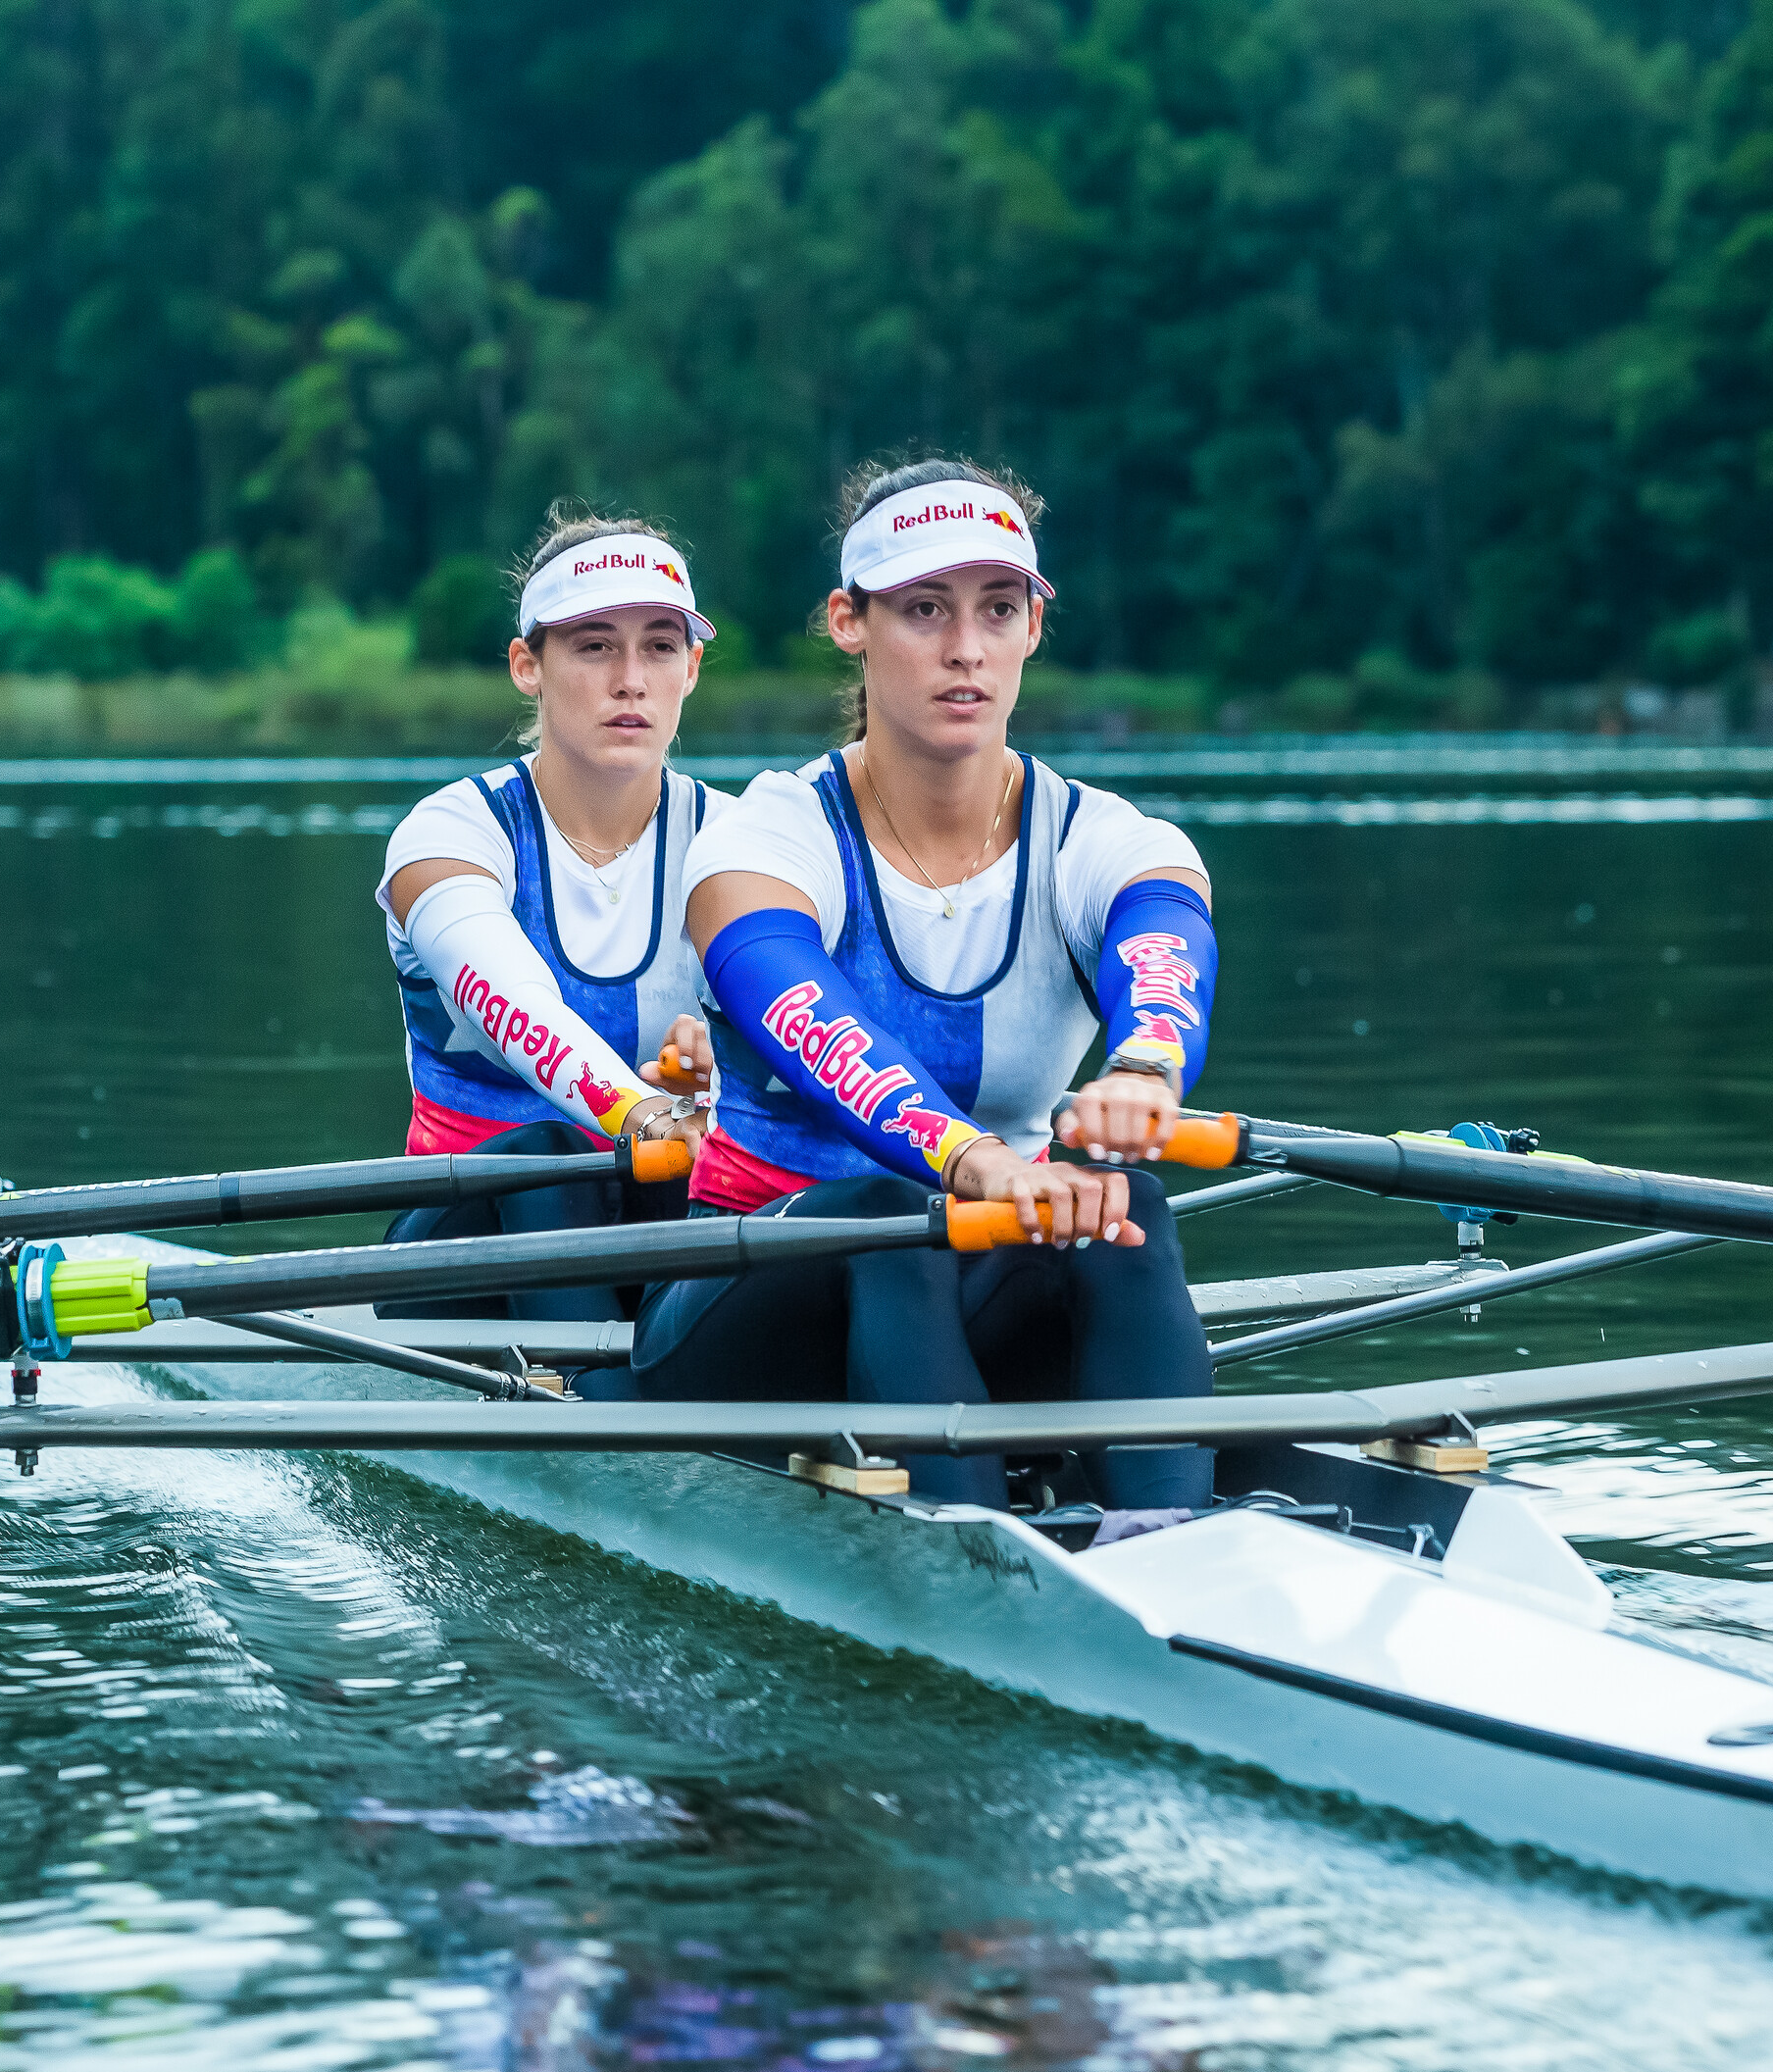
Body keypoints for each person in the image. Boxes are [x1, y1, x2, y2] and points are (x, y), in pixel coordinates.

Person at [633, 459, 1223, 1513]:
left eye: (998, 609)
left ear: (1033, 628)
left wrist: (1145, 1068)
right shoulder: (764, 839)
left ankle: (1171, 1531)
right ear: (848, 621)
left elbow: (1162, 940)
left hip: (968, 1302)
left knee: (1123, 1203)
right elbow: (801, 1016)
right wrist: (975, 1159)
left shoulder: (1106, 840)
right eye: (922, 610)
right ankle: (974, 1550)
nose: (965, 648)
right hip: (748, 1316)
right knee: (887, 1215)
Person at [373, 509, 731, 1386]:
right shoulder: (451, 832)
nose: (630, 681)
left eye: (658, 647)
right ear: (527, 666)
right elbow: (514, 1005)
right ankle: (601, 1409)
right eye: (594, 646)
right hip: (458, 1258)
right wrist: (638, 1105)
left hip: (654, 1233)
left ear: (692, 666)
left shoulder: (743, 842)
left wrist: (723, 1077)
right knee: (548, 1148)